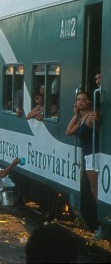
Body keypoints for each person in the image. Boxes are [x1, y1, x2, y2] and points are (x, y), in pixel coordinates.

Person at [66, 91, 102, 240]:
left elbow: (99, 129)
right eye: (78, 99)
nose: (80, 102)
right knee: (93, 189)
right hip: (88, 156)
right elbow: (68, 131)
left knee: (95, 190)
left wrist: (97, 119)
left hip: (93, 156)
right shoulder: (82, 118)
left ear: (89, 102)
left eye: (83, 100)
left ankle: (101, 225)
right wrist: (75, 114)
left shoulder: (91, 116)